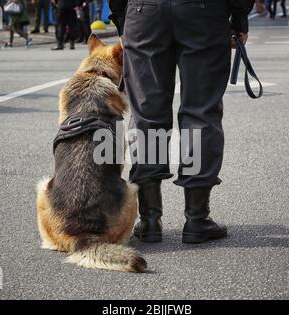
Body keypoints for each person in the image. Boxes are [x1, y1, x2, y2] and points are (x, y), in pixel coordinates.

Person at [109, 0, 254, 244]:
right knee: (201, 113)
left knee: (147, 115)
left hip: (145, 12)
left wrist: (123, 18)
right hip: (203, 13)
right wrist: (239, 17)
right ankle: (196, 219)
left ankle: (150, 220)